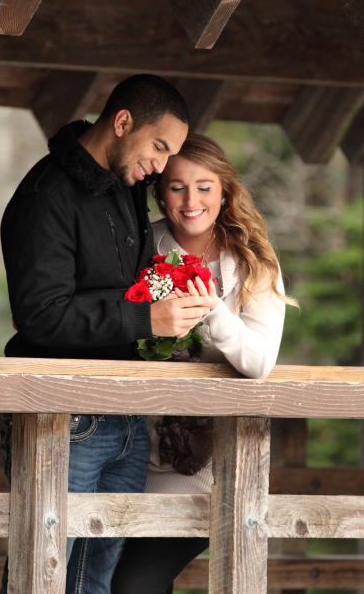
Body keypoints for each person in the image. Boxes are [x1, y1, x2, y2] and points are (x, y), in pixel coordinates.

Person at [0, 75, 213, 594]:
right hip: (62, 416)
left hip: (126, 417)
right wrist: (148, 321)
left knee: (96, 580)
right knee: (41, 575)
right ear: (121, 123)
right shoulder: (45, 195)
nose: (162, 167)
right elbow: (40, 316)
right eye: (159, 147)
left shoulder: (126, 187)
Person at [110, 133, 297, 594]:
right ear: (159, 192)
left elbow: (257, 361)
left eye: (204, 186)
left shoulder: (254, 262)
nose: (190, 200)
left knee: (135, 583)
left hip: (203, 461)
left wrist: (210, 309)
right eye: (176, 187)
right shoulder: (140, 246)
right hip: (129, 449)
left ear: (225, 190)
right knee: (112, 578)